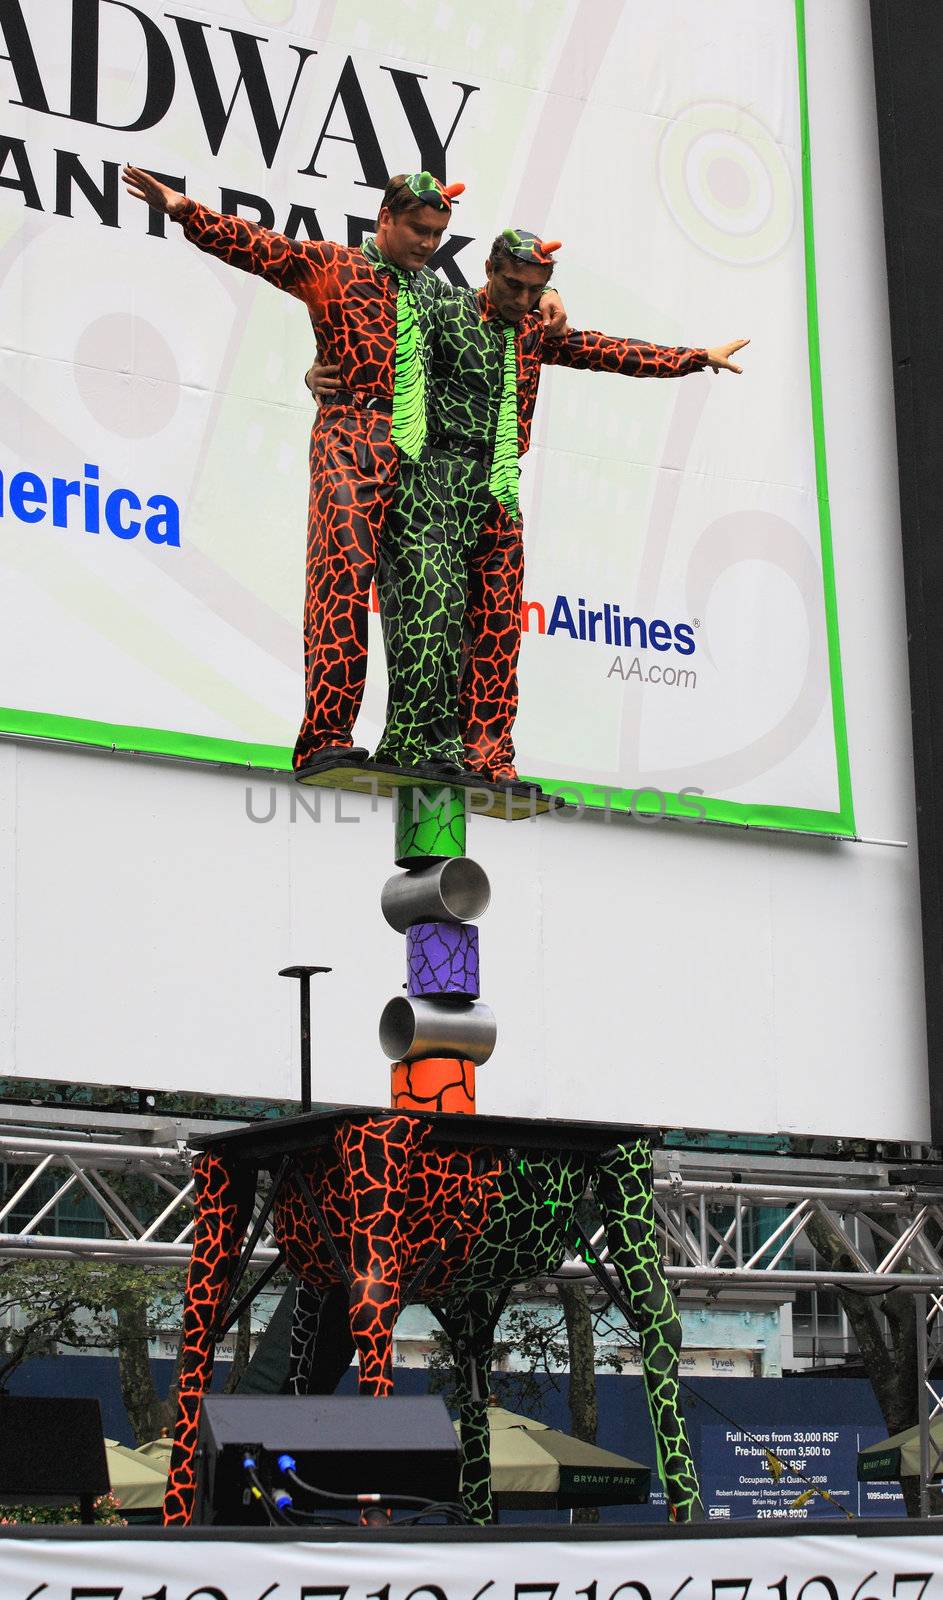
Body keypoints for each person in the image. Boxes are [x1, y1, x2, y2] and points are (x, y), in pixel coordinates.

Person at [121, 168, 565, 779]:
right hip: (351, 438)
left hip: (421, 461)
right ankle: (326, 734)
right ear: (385, 218)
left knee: (430, 604)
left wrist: (545, 299)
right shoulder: (332, 266)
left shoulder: (438, 295)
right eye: (418, 229)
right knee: (343, 583)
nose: (427, 244)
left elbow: (493, 320)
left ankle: (434, 743)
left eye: (438, 234)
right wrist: (182, 209)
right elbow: (256, 247)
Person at [309, 229, 748, 789]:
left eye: (535, 289)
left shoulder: (535, 332)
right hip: (438, 482)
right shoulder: (444, 310)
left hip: (499, 491)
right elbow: (372, 336)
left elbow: (608, 352)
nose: (522, 299)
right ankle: (418, 742)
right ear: (488, 270)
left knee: (499, 627)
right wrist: (315, 374)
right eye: (513, 286)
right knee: (432, 614)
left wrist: (693, 358)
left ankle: (488, 757)